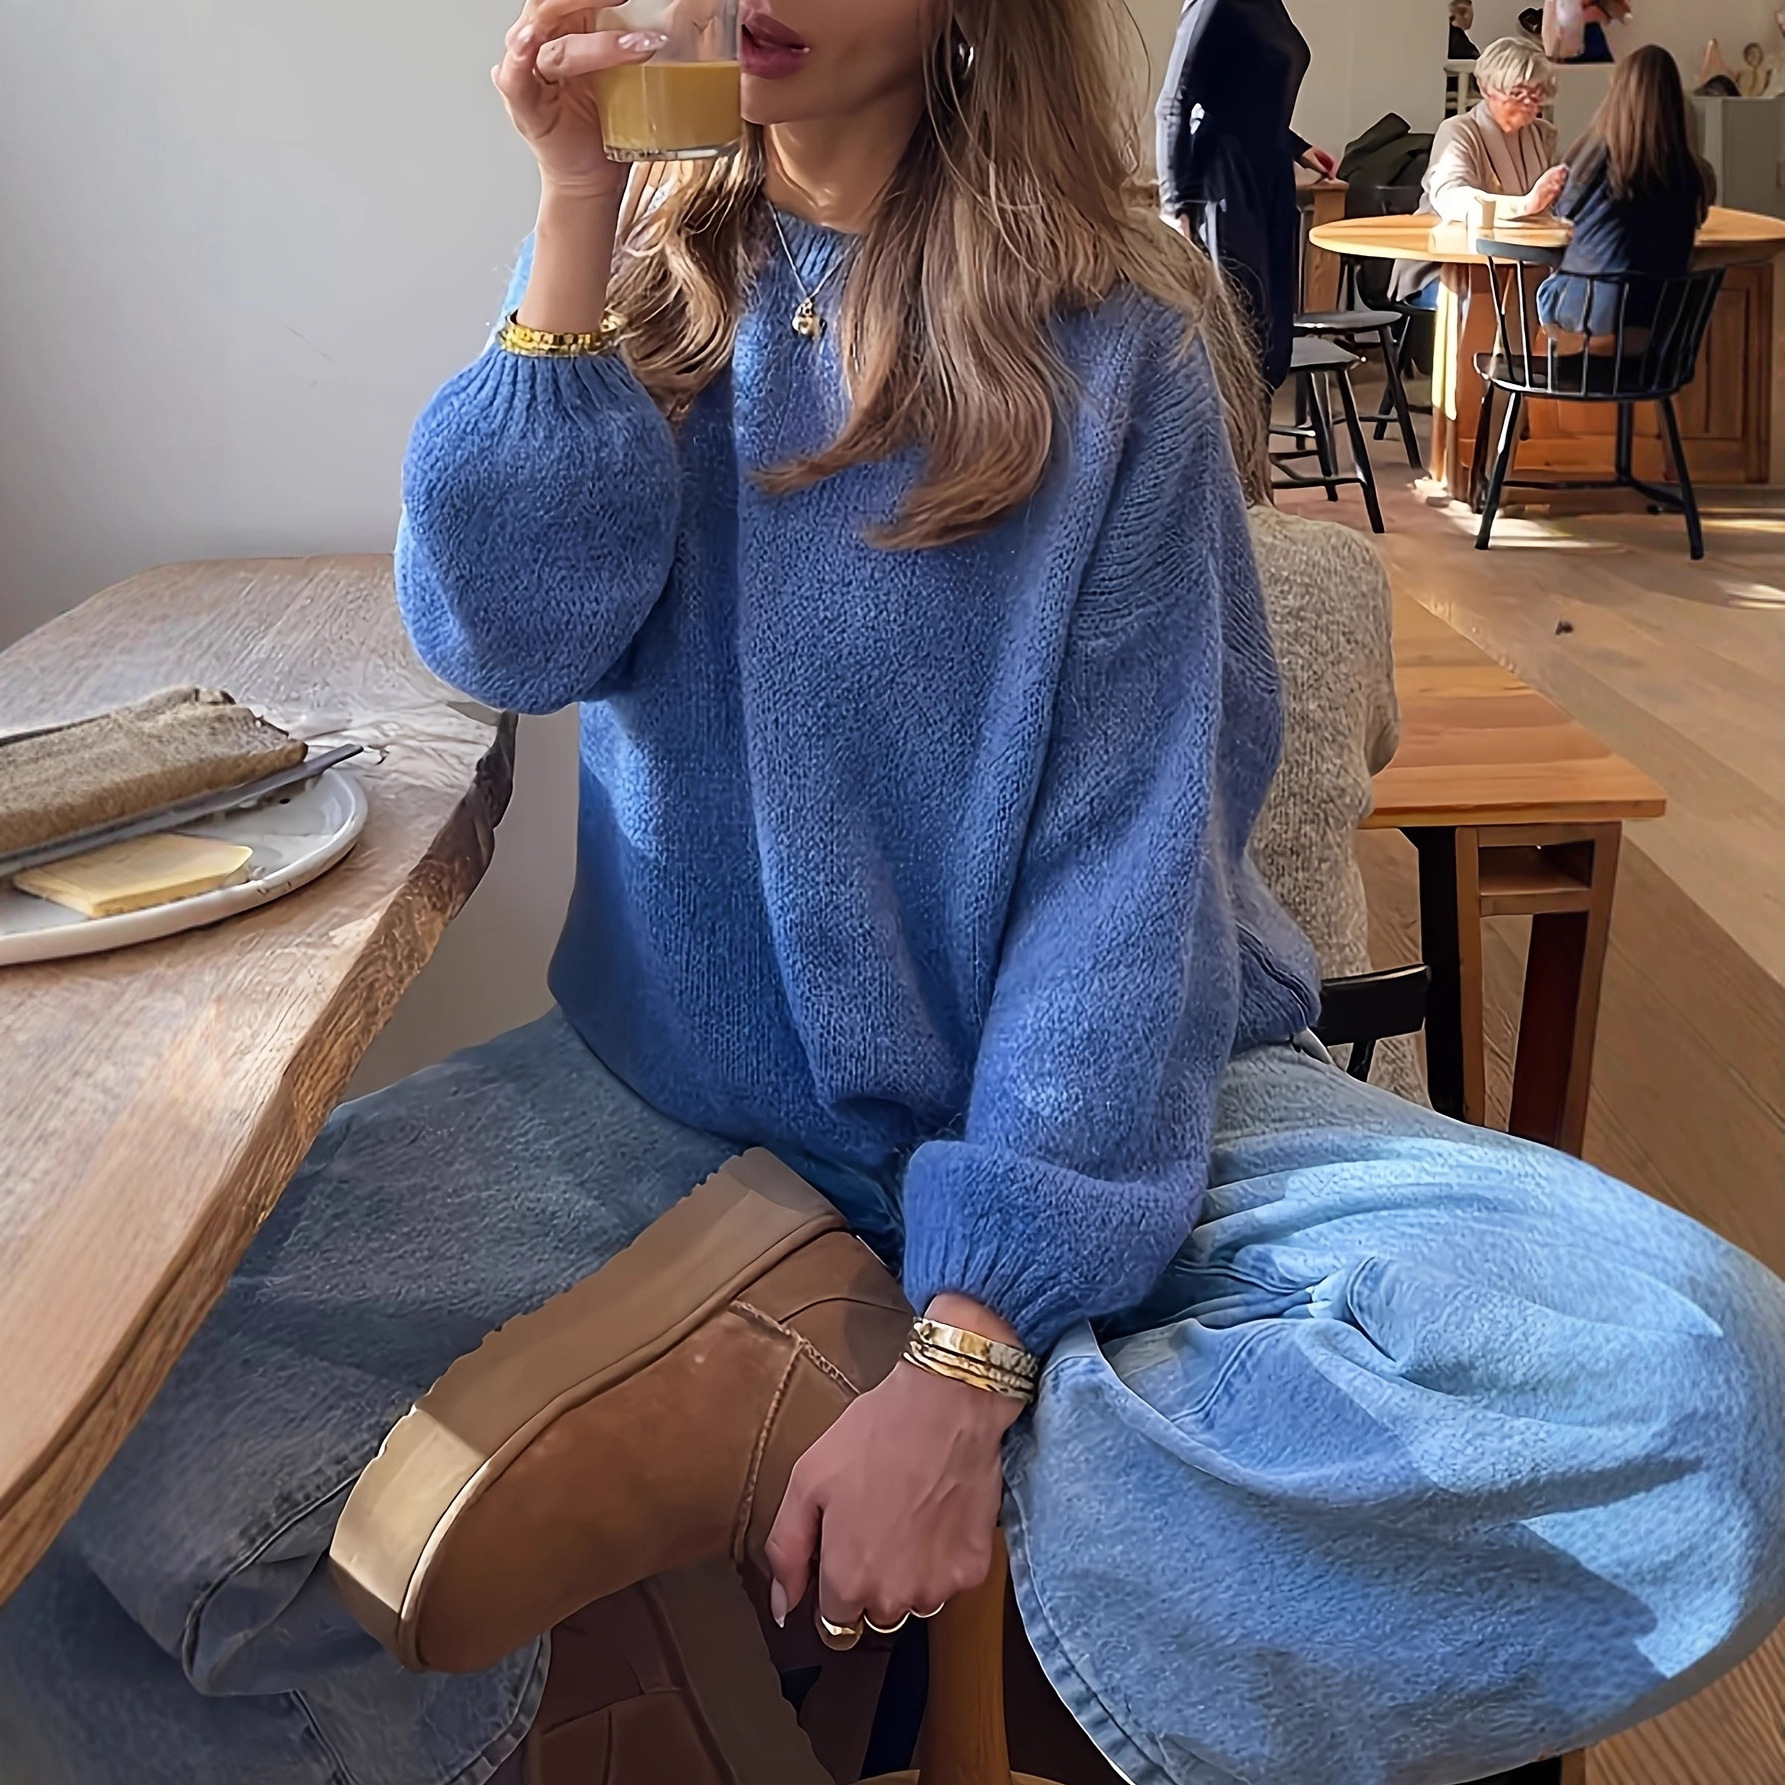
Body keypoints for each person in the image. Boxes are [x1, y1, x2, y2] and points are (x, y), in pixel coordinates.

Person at [5, 3, 1785, 1785]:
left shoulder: (1124, 339)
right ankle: (813, 1405)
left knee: (1706, 1402)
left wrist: (967, 1361)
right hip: (670, 1114)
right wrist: (572, 205)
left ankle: (817, 1400)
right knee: (81, 1443)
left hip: (1106, 1108)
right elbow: (501, 639)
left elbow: (1128, 877)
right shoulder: (644, 288)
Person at [1156, 0, 1336, 389]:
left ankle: (1254, 431)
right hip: (1225, 183)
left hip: (1270, 175)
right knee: (1239, 339)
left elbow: (1246, 95)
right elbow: (1173, 103)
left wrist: (1297, 147)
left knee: (1270, 344)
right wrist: (1174, 207)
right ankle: (1231, 431)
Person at [1538, 44, 1714, 339]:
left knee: (1546, 288)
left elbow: (1564, 209)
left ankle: (1528, 364)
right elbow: (1698, 218)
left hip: (1592, 314)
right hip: (1660, 323)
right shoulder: (1693, 172)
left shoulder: (1595, 157)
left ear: (1618, 95)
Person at [1392, 34, 1568, 305]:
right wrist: (1524, 205)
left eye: (1536, 93)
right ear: (1486, 88)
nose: (1528, 104)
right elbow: (1450, 196)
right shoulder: (1458, 131)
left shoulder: (1543, 135)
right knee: (1489, 303)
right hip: (1447, 267)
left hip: (1522, 266)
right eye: (1517, 93)